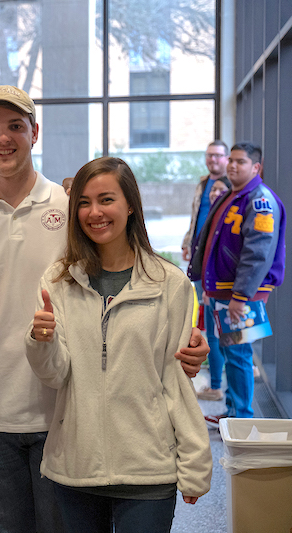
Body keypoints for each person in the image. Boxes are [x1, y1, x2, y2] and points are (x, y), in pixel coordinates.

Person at [0, 86, 210, 533]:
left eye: (16, 127)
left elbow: (129, 288)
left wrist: (186, 339)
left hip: (66, 414)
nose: (4, 139)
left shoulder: (73, 208)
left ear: (35, 133)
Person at [27, 156, 212, 533]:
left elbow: (175, 379)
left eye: (106, 199)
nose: (94, 212)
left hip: (148, 468)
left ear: (130, 205)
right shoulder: (58, 281)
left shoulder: (169, 284)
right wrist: (40, 340)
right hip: (76, 466)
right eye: (83, 202)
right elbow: (55, 375)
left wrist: (195, 461)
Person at [189, 143, 286, 423]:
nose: (232, 165)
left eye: (240, 162)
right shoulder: (232, 195)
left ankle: (241, 419)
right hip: (223, 293)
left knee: (240, 355)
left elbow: (258, 254)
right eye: (230, 160)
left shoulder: (260, 201)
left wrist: (241, 296)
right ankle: (232, 412)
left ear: (256, 167)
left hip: (243, 297)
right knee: (231, 353)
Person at [182, 141, 229, 402]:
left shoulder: (232, 189)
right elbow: (196, 216)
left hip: (219, 269)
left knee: (219, 327)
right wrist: (188, 241)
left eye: (218, 156)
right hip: (201, 260)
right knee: (208, 322)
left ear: (226, 159)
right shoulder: (203, 185)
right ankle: (215, 382)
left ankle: (219, 385)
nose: (213, 160)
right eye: (209, 155)